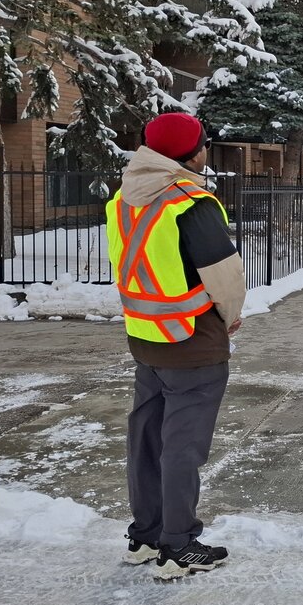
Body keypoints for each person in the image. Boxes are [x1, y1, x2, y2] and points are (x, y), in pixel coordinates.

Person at [107, 113, 244, 580]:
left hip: (145, 336)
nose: (205, 151)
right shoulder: (189, 202)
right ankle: (179, 545)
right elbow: (225, 278)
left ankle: (146, 536)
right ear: (192, 152)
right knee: (182, 446)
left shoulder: (125, 200)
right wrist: (228, 317)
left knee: (146, 439)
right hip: (191, 339)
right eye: (203, 144)